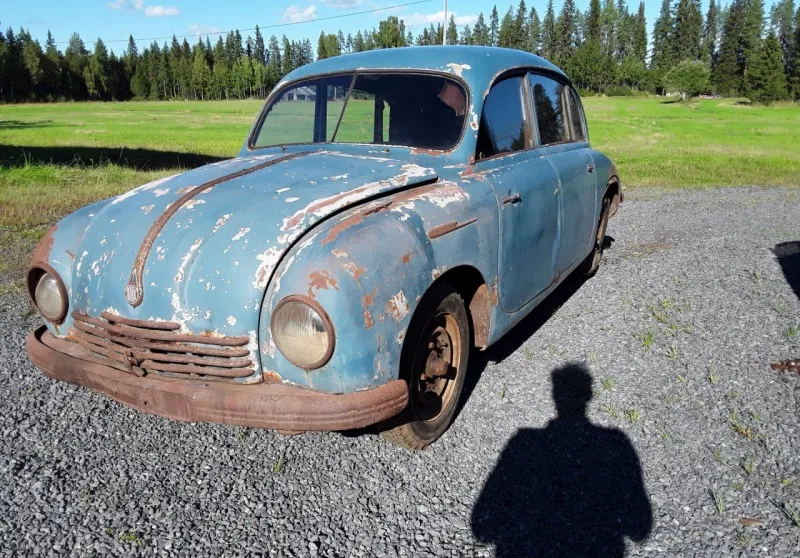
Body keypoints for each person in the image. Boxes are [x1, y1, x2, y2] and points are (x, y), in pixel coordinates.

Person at [471, 363, 652, 557]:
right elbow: (640, 529)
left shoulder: (523, 442)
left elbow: (482, 529)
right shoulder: (616, 442)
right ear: (589, 396)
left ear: (554, 396)